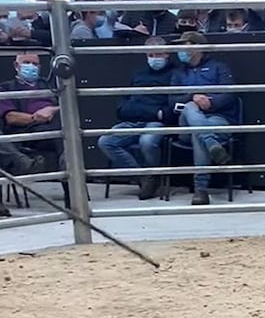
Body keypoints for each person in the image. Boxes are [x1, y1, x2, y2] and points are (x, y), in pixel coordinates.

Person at [97, 36, 176, 200]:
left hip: (157, 123)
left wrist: (145, 111)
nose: (154, 59)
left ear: (167, 54)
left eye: (158, 54)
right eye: (150, 55)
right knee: (106, 141)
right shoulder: (138, 74)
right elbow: (123, 107)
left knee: (147, 142)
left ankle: (153, 176)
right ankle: (144, 177)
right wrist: (152, 111)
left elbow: (170, 109)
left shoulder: (176, 74)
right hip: (134, 121)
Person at [168, 31, 240, 205]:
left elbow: (229, 94)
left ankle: (201, 190)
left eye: (183, 45)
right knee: (191, 107)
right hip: (185, 123)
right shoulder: (178, 73)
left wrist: (210, 102)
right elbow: (171, 101)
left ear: (197, 47)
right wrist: (193, 97)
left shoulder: (219, 67)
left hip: (217, 118)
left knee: (197, 133)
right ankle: (211, 143)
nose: (179, 49)